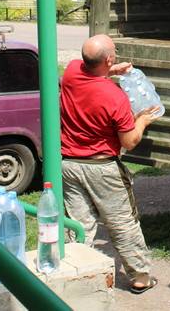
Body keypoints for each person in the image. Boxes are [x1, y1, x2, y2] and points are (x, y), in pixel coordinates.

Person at [60, 34, 160, 294]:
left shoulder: (71, 72)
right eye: (113, 53)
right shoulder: (114, 97)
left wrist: (112, 70)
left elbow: (90, 73)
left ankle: (78, 273)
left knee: (80, 224)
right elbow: (129, 141)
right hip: (102, 168)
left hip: (68, 165)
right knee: (122, 223)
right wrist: (143, 121)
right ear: (108, 59)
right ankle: (140, 277)